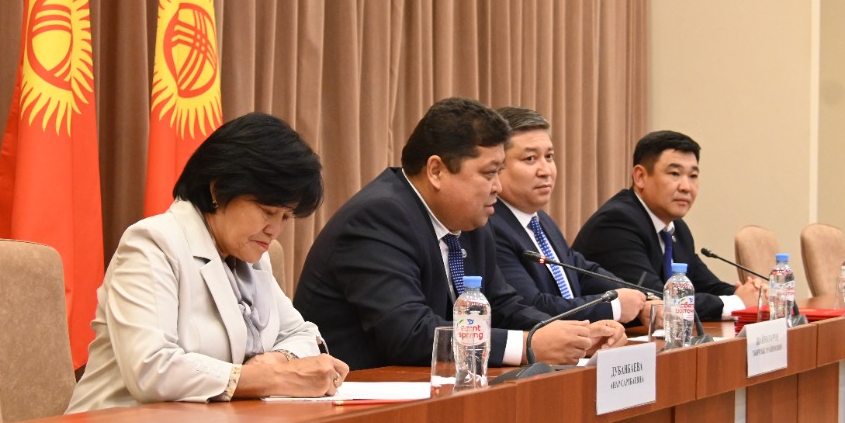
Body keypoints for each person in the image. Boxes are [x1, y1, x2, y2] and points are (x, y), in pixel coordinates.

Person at [294, 97, 623, 371]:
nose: (497, 187)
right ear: (436, 170)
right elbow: (410, 333)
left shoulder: (468, 219)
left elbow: (502, 304)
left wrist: (570, 334)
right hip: (361, 400)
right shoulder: (379, 218)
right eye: (489, 174)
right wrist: (528, 345)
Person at [68, 113, 348, 412]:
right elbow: (152, 369)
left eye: (285, 217)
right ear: (218, 189)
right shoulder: (153, 243)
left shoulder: (251, 257)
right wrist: (273, 378)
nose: (275, 230)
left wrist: (276, 361)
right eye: (267, 211)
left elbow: (302, 334)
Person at [572, 130, 761, 322]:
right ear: (640, 177)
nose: (686, 187)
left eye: (693, 176)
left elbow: (706, 285)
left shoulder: (677, 228)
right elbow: (657, 299)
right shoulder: (616, 223)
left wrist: (752, 294)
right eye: (675, 174)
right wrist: (737, 302)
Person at [491, 107, 648, 332]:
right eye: (530, 158)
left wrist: (642, 300)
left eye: (549, 157)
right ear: (497, 166)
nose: (546, 170)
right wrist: (614, 307)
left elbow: (581, 272)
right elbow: (530, 306)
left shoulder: (540, 221)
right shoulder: (491, 227)